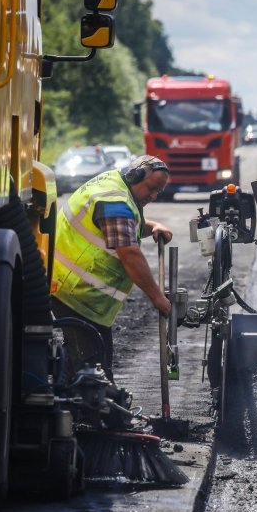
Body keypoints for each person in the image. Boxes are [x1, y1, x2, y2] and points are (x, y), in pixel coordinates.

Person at [50, 155, 174, 382]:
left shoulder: (116, 184)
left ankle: (74, 406)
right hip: (75, 293)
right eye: (151, 189)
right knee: (92, 371)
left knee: (90, 359)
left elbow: (126, 226)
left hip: (82, 295)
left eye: (159, 192)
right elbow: (129, 254)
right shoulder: (113, 200)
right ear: (136, 176)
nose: (154, 196)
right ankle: (89, 415)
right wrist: (158, 298)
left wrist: (154, 226)